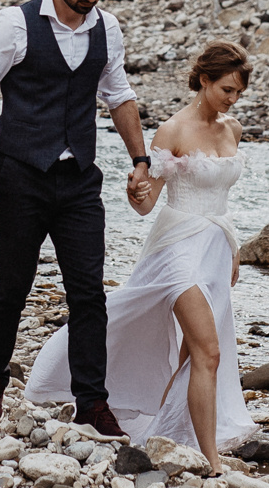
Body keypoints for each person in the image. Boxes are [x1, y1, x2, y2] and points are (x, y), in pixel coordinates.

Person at [0, 0, 152, 438]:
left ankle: (92, 403)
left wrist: (141, 161)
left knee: (89, 293)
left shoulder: (107, 27)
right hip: (19, 175)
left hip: (79, 180)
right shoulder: (15, 24)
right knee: (11, 287)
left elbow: (119, 94)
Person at [27, 40, 255, 462]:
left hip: (217, 249)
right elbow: (149, 204)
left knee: (191, 352)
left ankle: (163, 433)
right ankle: (213, 463)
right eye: (226, 89)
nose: (232, 99)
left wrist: (233, 249)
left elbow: (221, 200)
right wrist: (136, 192)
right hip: (178, 250)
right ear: (204, 80)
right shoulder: (173, 130)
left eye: (238, 92)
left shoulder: (232, 128)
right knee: (210, 350)